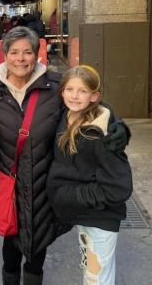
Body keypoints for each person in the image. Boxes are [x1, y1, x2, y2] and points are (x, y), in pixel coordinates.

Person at [0, 27, 129, 285]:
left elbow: (89, 104)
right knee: (11, 245)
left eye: (27, 52)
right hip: (10, 184)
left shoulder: (55, 84)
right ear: (5, 55)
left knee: (38, 246)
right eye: (14, 52)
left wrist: (118, 126)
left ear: (38, 54)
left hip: (44, 184)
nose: (21, 58)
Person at [47, 65, 132, 285]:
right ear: (62, 91)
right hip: (84, 214)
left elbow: (118, 187)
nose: (75, 96)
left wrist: (71, 196)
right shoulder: (66, 117)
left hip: (100, 218)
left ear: (95, 96)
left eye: (83, 91)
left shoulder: (100, 134)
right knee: (90, 271)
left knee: (97, 279)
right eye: (70, 89)